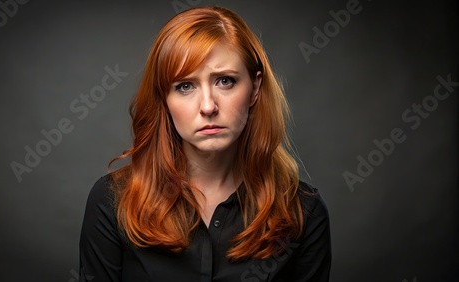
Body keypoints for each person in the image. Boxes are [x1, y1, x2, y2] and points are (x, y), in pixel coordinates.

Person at [79, 5, 331, 282]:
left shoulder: (304, 212)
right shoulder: (112, 202)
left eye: (225, 81)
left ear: (255, 88)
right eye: (185, 86)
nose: (208, 107)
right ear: (164, 98)